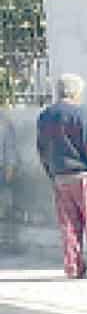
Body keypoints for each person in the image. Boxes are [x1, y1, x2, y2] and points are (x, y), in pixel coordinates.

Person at [35, 73, 87, 278]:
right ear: (76, 92)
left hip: (60, 177)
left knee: (69, 224)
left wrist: (51, 173)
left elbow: (42, 150)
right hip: (83, 177)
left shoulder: (44, 117)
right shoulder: (81, 115)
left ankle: (73, 267)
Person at [0, 106, 18, 252]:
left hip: (1, 169)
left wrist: (10, 167)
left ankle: (7, 241)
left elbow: (10, 147)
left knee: (5, 202)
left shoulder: (4, 121)